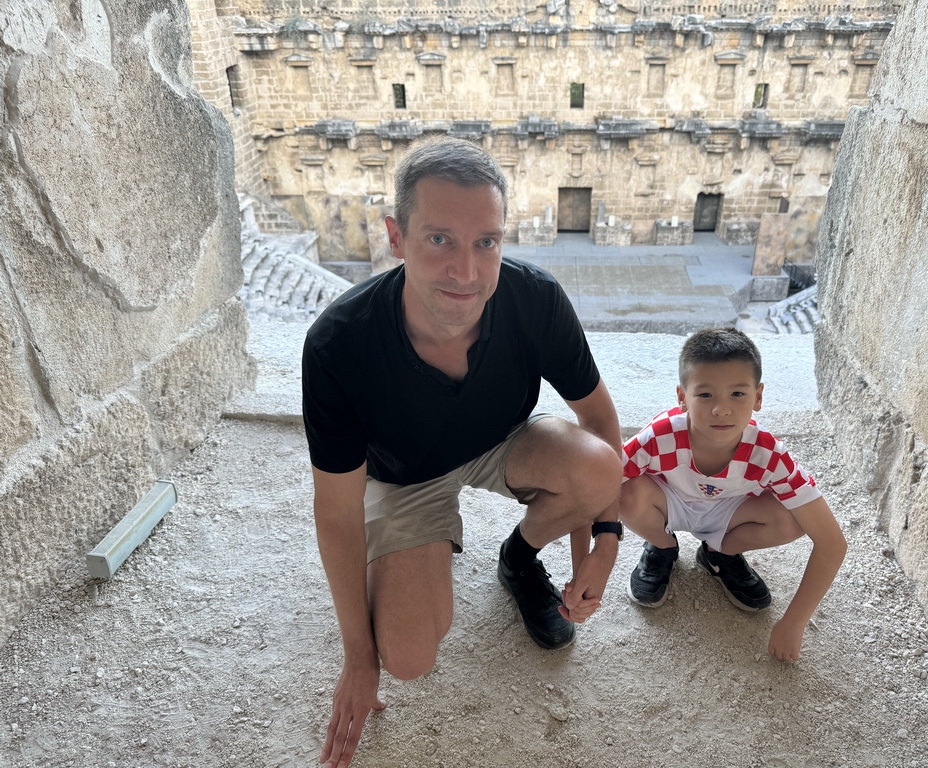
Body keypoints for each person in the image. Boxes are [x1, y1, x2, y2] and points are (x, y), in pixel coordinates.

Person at [302, 137, 623, 768]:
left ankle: (519, 556)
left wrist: (601, 546)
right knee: (409, 656)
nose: (468, 273)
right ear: (396, 237)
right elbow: (335, 514)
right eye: (440, 239)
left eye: (487, 243)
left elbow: (600, 419)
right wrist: (357, 658)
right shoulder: (339, 345)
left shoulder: (535, 300)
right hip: (402, 477)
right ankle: (402, 564)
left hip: (499, 437)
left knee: (597, 468)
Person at [618, 327, 846, 661]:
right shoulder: (659, 436)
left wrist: (794, 622)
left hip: (729, 513)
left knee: (793, 520)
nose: (721, 410)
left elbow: (832, 542)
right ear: (682, 397)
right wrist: (599, 545)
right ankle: (662, 546)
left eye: (737, 394)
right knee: (624, 490)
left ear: (758, 397)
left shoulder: (769, 455)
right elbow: (601, 483)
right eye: (705, 395)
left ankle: (718, 553)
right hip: (669, 501)